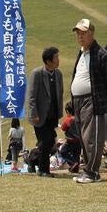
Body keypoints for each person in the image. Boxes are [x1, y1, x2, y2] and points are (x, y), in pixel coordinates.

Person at [70, 19, 107, 184]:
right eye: (78, 33)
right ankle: (87, 170)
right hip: (78, 101)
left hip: (93, 101)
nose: (80, 36)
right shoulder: (82, 53)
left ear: (91, 33)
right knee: (83, 137)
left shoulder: (101, 54)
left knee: (92, 137)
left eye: (83, 33)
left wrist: (102, 100)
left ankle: (92, 172)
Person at [27, 46, 63, 178]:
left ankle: (35, 163)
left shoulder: (58, 74)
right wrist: (33, 113)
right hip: (39, 116)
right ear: (48, 61)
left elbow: (60, 93)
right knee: (46, 142)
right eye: (56, 57)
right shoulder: (37, 73)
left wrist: (59, 112)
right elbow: (31, 95)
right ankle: (43, 170)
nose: (58, 60)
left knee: (48, 143)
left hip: (52, 115)